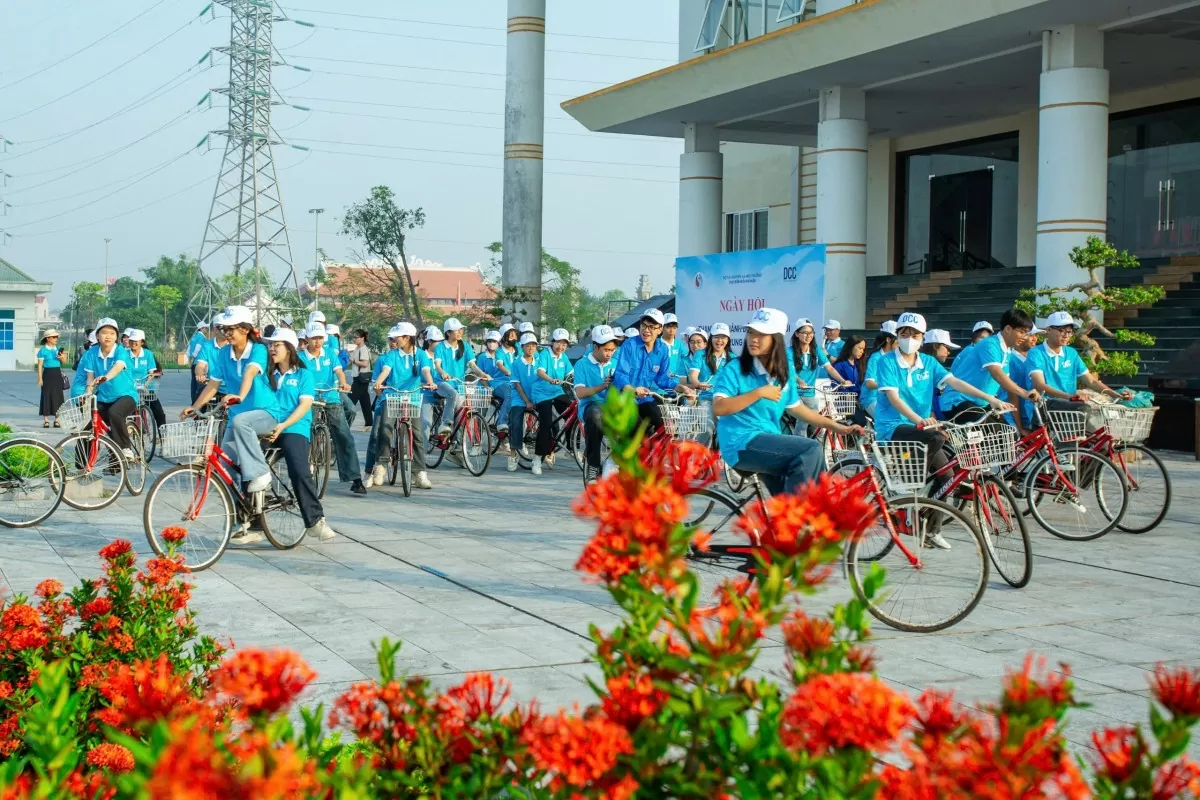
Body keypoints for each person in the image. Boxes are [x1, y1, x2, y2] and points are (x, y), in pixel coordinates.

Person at [873, 312, 1013, 549]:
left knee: (948, 477)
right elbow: (893, 397)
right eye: (904, 333)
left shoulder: (928, 363)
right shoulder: (886, 361)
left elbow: (955, 382)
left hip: (920, 427)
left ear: (922, 337)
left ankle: (930, 528)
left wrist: (990, 398)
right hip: (893, 426)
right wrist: (920, 419)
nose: (909, 338)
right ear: (897, 335)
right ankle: (908, 482)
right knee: (936, 436)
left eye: (915, 334)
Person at [712, 308, 863, 496]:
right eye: (751, 333)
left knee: (800, 486)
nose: (753, 339)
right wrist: (758, 393)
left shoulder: (784, 372)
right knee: (811, 449)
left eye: (762, 335)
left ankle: (794, 519)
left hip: (769, 441)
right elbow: (719, 407)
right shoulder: (735, 368)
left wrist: (838, 428)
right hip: (741, 443)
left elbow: (797, 408)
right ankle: (795, 518)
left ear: (776, 339)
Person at [183, 306, 280, 541]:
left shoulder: (258, 350)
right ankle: (243, 519)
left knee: (240, 423)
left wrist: (241, 396)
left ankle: (260, 472)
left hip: (264, 412)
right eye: (224, 329)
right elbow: (213, 385)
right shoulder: (224, 354)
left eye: (232, 329)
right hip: (239, 418)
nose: (227, 333)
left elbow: (249, 373)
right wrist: (196, 407)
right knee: (225, 466)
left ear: (246, 330)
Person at [262, 327, 338, 542]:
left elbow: (305, 405)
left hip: (294, 428)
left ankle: (314, 520)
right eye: (270, 345)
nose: (271, 349)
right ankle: (253, 520)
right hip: (268, 426)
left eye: (276, 345)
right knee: (248, 466)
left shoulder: (304, 375)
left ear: (289, 348)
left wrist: (284, 424)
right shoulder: (267, 375)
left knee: (299, 469)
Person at [364, 322, 434, 490]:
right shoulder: (392, 355)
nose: (395, 340)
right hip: (392, 396)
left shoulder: (421, 355)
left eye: (398, 337)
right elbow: (385, 371)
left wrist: (430, 383)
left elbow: (426, 372)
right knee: (385, 429)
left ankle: (419, 473)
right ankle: (380, 466)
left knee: (417, 434)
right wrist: (379, 383)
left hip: (412, 398)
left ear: (407, 338)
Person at [299, 322, 367, 496]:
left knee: (344, 435)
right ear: (307, 339)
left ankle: (355, 478)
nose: (317, 342)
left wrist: (343, 383)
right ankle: (305, 472)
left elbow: (339, 371)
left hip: (331, 397)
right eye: (313, 338)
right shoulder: (300, 357)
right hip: (309, 399)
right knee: (304, 434)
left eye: (320, 338)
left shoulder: (329, 353)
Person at [940, 308, 1040, 423]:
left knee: (1006, 435)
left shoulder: (1007, 350)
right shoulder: (990, 345)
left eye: (1026, 333)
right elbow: (997, 374)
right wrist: (1025, 393)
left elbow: (1006, 382)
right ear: (1008, 329)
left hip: (980, 403)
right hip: (958, 401)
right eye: (1021, 332)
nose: (1025, 337)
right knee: (993, 434)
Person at [1026, 311, 1134, 412]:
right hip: (1044, 405)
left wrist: (1116, 395)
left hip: (1069, 406)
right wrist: (1069, 397)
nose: (1066, 335)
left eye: (1069, 332)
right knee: (1084, 409)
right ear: (1048, 330)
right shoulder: (1036, 353)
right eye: (1061, 330)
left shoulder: (1072, 353)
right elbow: (1039, 385)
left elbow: (1091, 381)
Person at [611, 309, 694, 433]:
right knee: (637, 428)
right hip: (625, 397)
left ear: (660, 329)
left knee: (664, 424)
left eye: (651, 327)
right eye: (643, 326)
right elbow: (621, 374)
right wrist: (633, 389)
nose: (646, 330)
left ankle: (655, 452)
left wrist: (682, 388)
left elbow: (663, 379)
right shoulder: (630, 345)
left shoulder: (662, 349)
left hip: (645, 398)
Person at [78, 318, 139, 459]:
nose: (108, 336)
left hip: (126, 395)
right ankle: (81, 465)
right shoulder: (91, 353)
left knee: (114, 413)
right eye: (104, 333)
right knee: (88, 422)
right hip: (103, 397)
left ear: (117, 336)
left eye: (112, 333)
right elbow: (90, 377)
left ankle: (125, 448)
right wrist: (87, 394)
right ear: (97, 336)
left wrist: (105, 377)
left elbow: (118, 366)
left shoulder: (120, 351)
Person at [574, 325, 619, 483]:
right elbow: (580, 392)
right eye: (606, 350)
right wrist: (602, 386)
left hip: (613, 406)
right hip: (590, 406)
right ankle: (593, 465)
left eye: (612, 350)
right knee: (595, 414)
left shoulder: (615, 364)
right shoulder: (582, 365)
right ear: (595, 347)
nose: (609, 354)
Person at [432, 317, 490, 436]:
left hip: (459, 384)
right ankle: (445, 423)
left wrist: (483, 375)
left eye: (461, 329)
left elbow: (473, 366)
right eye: (456, 330)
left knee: (461, 416)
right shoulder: (440, 347)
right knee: (452, 394)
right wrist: (442, 372)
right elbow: (437, 365)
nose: (460, 332)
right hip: (442, 383)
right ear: (448, 333)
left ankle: (457, 449)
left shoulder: (465, 346)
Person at [529, 328, 573, 475]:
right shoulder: (544, 354)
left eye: (564, 344)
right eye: (558, 343)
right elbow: (540, 371)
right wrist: (550, 379)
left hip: (557, 391)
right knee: (546, 423)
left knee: (573, 411)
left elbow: (571, 373)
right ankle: (537, 458)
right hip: (542, 392)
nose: (561, 347)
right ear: (552, 342)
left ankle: (571, 447)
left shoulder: (564, 357)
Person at [787, 318, 848, 416]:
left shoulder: (816, 349)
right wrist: (799, 381)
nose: (809, 336)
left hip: (810, 393)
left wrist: (843, 381)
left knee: (817, 424)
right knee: (804, 419)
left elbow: (829, 368)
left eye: (811, 333)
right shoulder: (789, 352)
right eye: (805, 333)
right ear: (797, 334)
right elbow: (790, 372)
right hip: (794, 392)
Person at [507, 332, 541, 471]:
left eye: (533, 345)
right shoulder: (516, 363)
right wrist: (527, 401)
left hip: (536, 397)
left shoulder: (539, 362)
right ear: (522, 347)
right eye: (528, 345)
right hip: (520, 398)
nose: (531, 348)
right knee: (515, 421)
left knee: (550, 418)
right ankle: (513, 454)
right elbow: (517, 385)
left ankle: (548, 451)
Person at [476, 329, 515, 440]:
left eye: (494, 341)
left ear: (500, 343)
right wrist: (488, 387)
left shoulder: (502, 355)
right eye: (489, 341)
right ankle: (476, 443)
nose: (491, 343)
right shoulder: (483, 357)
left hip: (498, 386)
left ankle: (503, 439)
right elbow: (480, 375)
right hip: (484, 387)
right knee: (480, 415)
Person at [126, 330, 166, 430]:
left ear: (142, 342)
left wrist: (145, 386)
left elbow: (151, 373)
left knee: (159, 412)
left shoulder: (148, 354)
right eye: (131, 340)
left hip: (146, 387)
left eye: (136, 341)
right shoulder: (124, 353)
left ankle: (163, 435)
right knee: (124, 411)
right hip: (130, 388)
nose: (133, 343)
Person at [860, 322, 898, 419]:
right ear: (888, 339)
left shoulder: (894, 359)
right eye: (897, 340)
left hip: (887, 400)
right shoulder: (876, 358)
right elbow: (869, 383)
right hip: (871, 399)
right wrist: (888, 386)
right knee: (888, 420)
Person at [687, 322, 731, 401]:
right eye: (716, 337)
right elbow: (692, 376)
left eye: (723, 337)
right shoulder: (700, 354)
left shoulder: (733, 358)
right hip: (704, 400)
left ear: (727, 340)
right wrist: (698, 384)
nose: (719, 340)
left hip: (724, 401)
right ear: (711, 338)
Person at [36, 328, 64, 428]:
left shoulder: (58, 348)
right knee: (46, 396)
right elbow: (40, 366)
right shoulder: (42, 351)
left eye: (56, 337)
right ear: (48, 338)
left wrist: (61, 358)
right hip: (47, 374)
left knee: (58, 396)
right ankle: (46, 420)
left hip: (57, 373)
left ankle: (57, 419)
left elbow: (63, 363)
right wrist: (40, 378)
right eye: (54, 337)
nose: (56, 339)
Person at [347, 329, 374, 431]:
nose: (354, 339)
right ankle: (369, 424)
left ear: (362, 338)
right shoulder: (357, 349)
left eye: (356, 337)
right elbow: (351, 362)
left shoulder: (363, 349)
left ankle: (345, 423)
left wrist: (353, 360)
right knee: (365, 401)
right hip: (358, 377)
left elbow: (365, 364)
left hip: (361, 378)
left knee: (350, 401)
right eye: (353, 337)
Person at [661, 313, 688, 381]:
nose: (671, 330)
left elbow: (688, 360)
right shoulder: (655, 344)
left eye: (674, 327)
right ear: (662, 328)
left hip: (676, 385)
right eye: (668, 327)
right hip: (657, 387)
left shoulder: (680, 344)